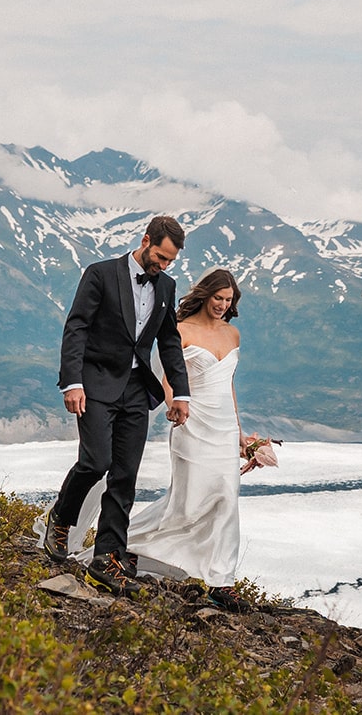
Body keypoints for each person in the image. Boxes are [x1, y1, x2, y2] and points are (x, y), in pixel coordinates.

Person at [38, 215, 191, 597]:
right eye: (160, 256)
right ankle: (61, 518)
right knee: (96, 462)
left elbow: (169, 341)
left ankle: (107, 557)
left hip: (138, 390)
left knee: (125, 476)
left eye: (170, 261)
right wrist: (72, 382)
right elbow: (77, 327)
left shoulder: (167, 287)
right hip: (95, 385)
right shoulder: (100, 274)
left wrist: (182, 393)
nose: (163, 266)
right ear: (145, 240)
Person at [115, 267, 258, 612]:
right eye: (218, 298)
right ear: (205, 296)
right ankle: (129, 546)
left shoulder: (233, 334)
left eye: (228, 300)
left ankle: (222, 582)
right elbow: (167, 378)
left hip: (223, 426)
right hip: (191, 421)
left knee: (226, 498)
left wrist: (240, 434)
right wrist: (173, 407)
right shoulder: (180, 331)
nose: (223, 305)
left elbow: (229, 387)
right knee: (187, 501)